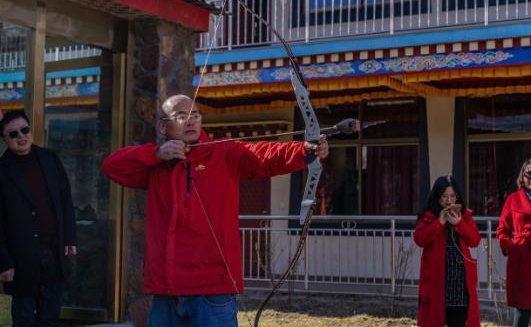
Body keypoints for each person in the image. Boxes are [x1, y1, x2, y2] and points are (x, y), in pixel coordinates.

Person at [102, 95, 329, 327]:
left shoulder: (224, 153)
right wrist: (157, 154)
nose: (190, 121)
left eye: (195, 115)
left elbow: (266, 155)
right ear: (163, 126)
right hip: (166, 292)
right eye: (181, 116)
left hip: (213, 291)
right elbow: (112, 166)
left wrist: (306, 151)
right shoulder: (155, 166)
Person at [0, 110, 77, 327]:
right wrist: (3, 262)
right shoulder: (2, 170)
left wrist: (69, 237)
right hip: (20, 256)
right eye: (13, 134)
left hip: (53, 251)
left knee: (50, 317)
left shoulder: (49, 158)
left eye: (25, 130)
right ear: (5, 140)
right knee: (24, 318)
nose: (21, 136)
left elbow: (65, 199)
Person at [413, 175, 481, 327]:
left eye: (452, 196)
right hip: (437, 279)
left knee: (458, 321)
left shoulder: (465, 215)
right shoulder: (428, 215)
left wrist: (459, 224)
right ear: (437, 197)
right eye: (444, 196)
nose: (449, 200)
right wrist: (440, 223)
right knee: (433, 319)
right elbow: (419, 239)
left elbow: (475, 240)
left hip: (460, 282)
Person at [496, 159, 531, 327]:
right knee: (522, 310)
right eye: (528, 174)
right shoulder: (513, 199)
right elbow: (502, 230)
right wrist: (511, 248)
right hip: (521, 258)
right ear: (522, 177)